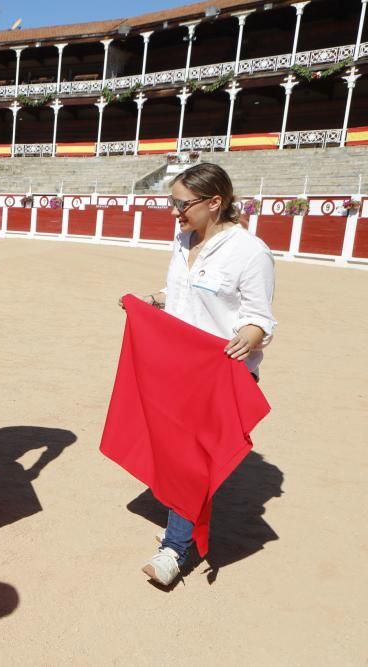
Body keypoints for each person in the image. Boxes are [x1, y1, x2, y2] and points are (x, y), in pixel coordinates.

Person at [123, 162, 276, 587]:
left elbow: (261, 319)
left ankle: (175, 547)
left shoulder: (250, 251)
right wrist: (150, 300)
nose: (175, 212)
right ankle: (182, 522)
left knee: (193, 465)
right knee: (176, 455)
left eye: (182, 204)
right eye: (173, 203)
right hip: (178, 370)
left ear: (215, 202)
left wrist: (251, 334)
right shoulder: (183, 238)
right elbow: (181, 292)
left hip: (220, 375)